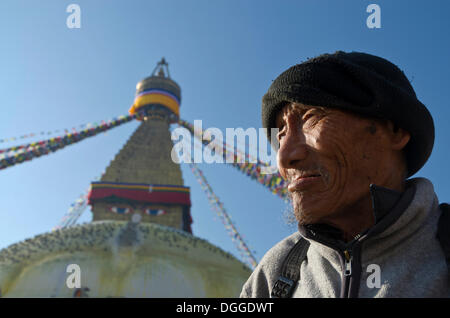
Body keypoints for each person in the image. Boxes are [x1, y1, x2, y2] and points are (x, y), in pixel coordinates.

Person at [240, 51, 449, 298]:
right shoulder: (273, 275)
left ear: (395, 130)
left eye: (311, 117)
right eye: (281, 134)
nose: (284, 157)